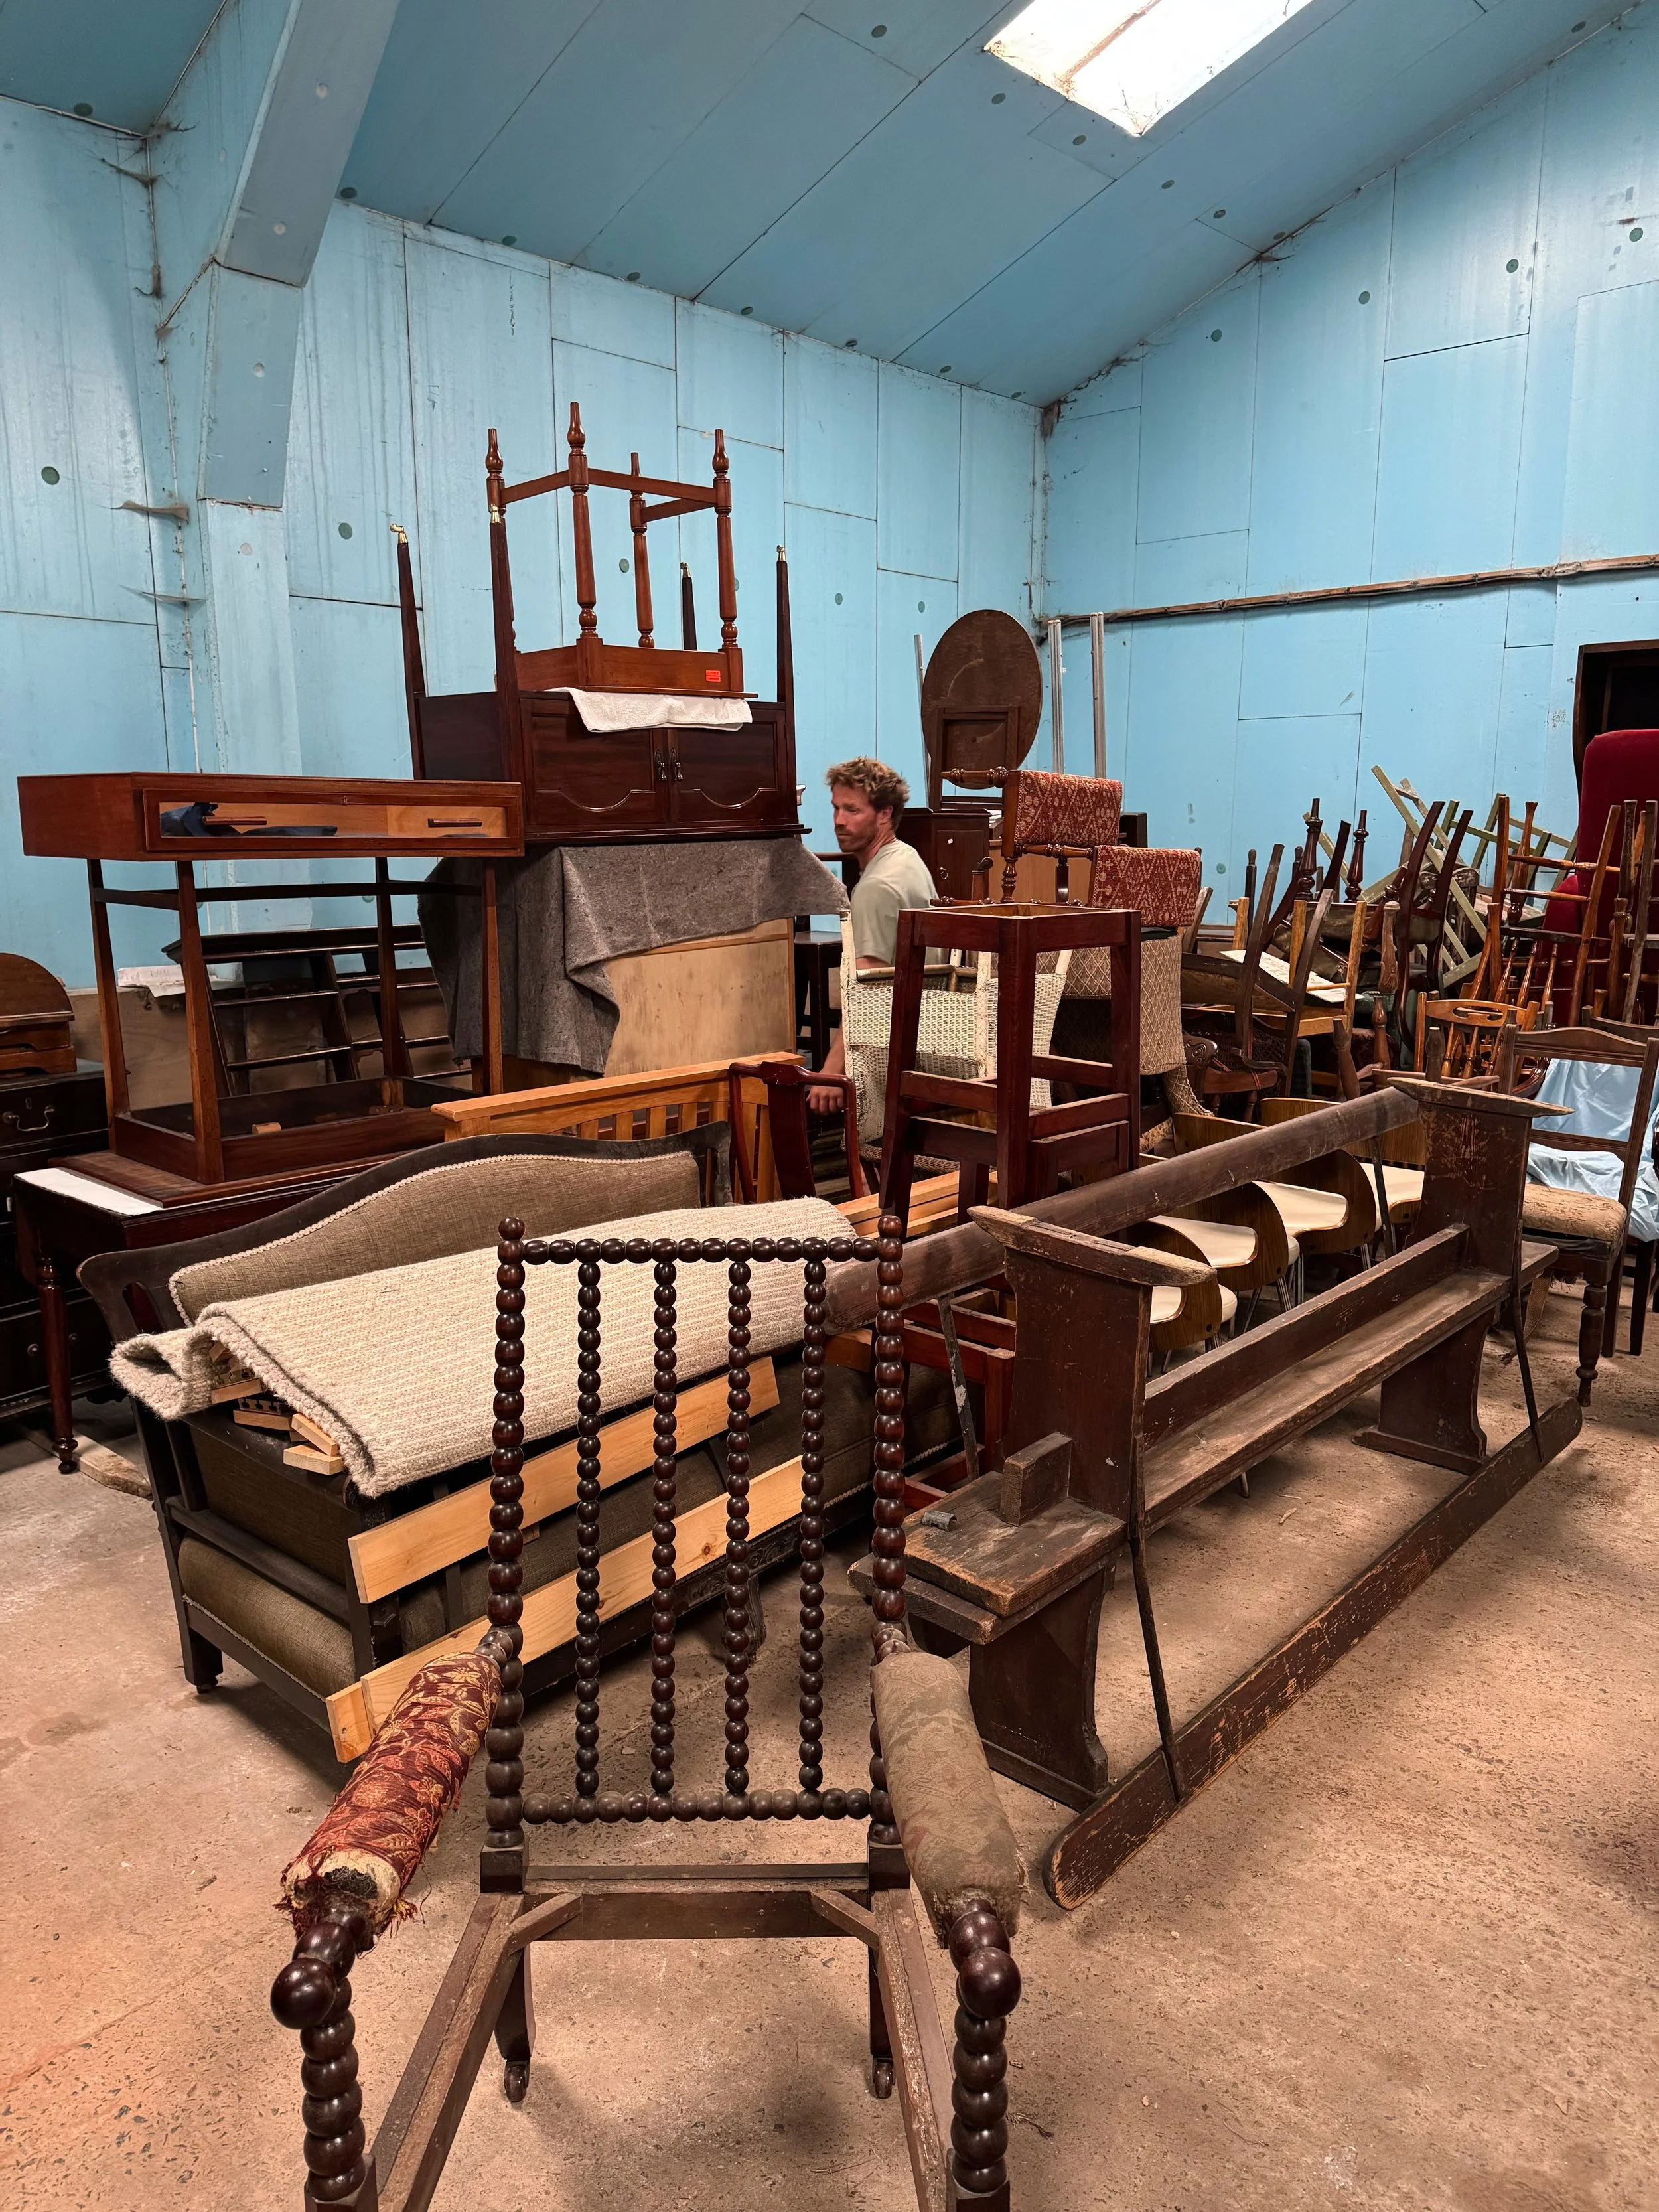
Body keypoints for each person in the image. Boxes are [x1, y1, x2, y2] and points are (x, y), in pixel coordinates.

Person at [807, 757, 936, 1115]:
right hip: (926, 1024)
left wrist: (830, 1073)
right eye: (836, 808)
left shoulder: (877, 886)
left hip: (901, 1042)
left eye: (853, 810)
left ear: (884, 814)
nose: (839, 821)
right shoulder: (907, 858)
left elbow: (869, 992)